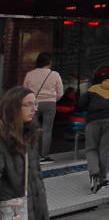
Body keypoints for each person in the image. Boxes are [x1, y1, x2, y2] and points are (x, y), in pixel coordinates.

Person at [76, 70, 109, 193]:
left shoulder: (94, 88)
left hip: (92, 121)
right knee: (106, 150)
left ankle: (94, 174)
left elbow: (80, 104)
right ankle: (102, 178)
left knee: (91, 148)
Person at [0, 87, 49, 219]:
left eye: (35, 104)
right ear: (13, 107)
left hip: (35, 205)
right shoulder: (3, 138)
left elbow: (37, 172)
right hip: (12, 209)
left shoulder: (30, 134)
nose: (34, 109)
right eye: (28, 104)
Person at [22, 52, 63, 164]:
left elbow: (24, 90)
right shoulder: (55, 74)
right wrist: (53, 99)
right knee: (47, 130)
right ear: (49, 62)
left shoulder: (30, 74)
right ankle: (45, 156)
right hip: (50, 104)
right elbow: (60, 92)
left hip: (33, 103)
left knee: (32, 129)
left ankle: (32, 154)